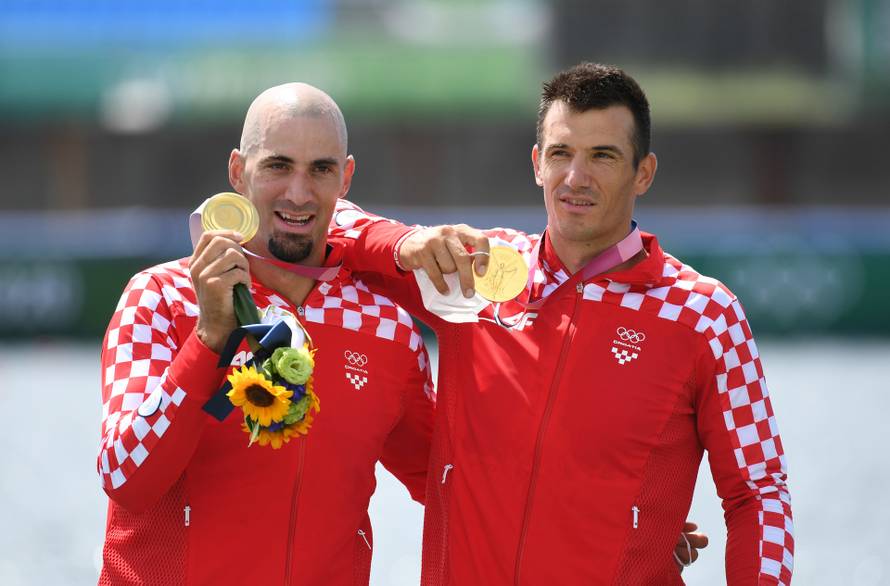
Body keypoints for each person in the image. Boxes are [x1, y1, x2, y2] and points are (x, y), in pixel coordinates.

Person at [329, 63, 794, 584]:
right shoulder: (475, 270)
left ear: (644, 172)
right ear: (536, 163)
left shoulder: (704, 314)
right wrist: (401, 244)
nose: (577, 178)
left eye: (603, 156)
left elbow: (759, 494)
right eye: (561, 154)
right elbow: (327, 218)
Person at [96, 83, 436, 585]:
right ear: (238, 171)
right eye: (278, 165)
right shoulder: (161, 297)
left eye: (320, 169)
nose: (298, 193)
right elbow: (126, 477)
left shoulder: (387, 326)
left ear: (345, 178)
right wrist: (210, 339)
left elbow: (452, 484)